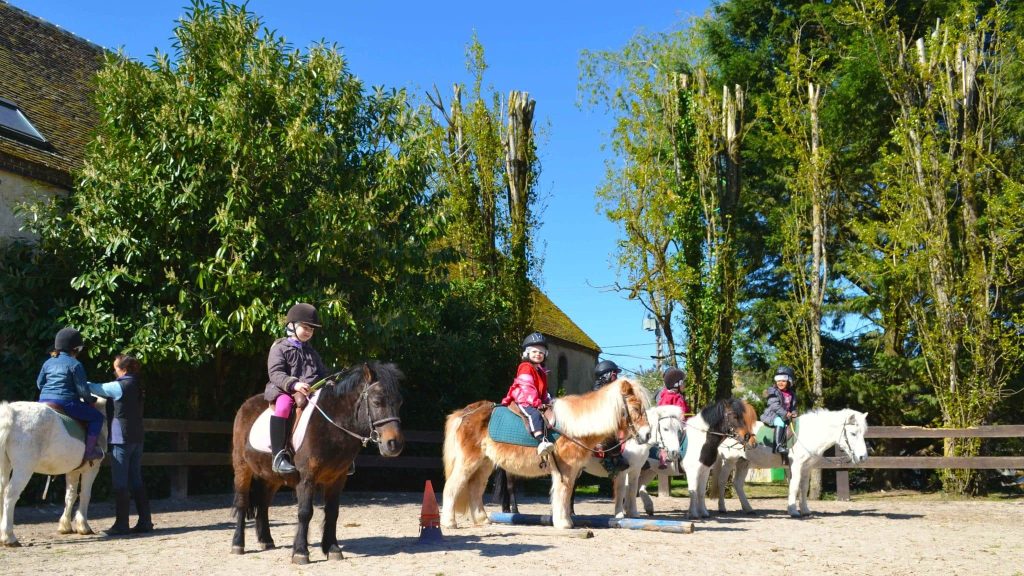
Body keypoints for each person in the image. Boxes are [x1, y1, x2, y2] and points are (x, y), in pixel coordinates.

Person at [89, 354, 152, 535]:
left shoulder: (118, 386)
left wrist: (78, 382)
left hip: (121, 437)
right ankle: (145, 521)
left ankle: (121, 524)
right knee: (136, 479)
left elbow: (95, 388)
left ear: (122, 369)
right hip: (137, 436)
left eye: (115, 368)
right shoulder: (139, 384)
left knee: (120, 481)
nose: (114, 371)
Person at [265, 303, 326, 474]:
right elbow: (275, 373)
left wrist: (330, 383)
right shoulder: (280, 348)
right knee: (283, 406)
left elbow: (322, 373)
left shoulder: (312, 353)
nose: (308, 332)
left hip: (311, 392)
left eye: (311, 330)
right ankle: (278, 455)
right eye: (305, 327)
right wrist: (294, 384)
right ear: (291, 326)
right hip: (285, 390)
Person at [37, 327, 105, 462]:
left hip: (43, 401)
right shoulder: (75, 364)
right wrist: (91, 400)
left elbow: (39, 384)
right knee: (97, 417)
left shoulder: (48, 362)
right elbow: (83, 391)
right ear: (76, 348)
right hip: (65, 402)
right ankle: (89, 452)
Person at [501, 332, 554, 457]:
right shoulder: (525, 367)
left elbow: (544, 391)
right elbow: (527, 387)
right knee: (534, 414)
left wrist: (549, 401)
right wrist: (537, 403)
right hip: (524, 399)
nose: (538, 354)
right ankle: (540, 440)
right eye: (535, 352)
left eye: (541, 352)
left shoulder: (541, 371)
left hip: (536, 400)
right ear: (527, 353)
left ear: (545, 355)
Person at [761, 365, 798, 458]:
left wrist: (793, 412)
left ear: (789, 382)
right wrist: (785, 414)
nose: (780, 383)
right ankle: (778, 446)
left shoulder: (792, 394)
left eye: (783, 381)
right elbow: (774, 406)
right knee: (780, 422)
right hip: (773, 415)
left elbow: (792, 406)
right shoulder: (773, 391)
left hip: (786, 416)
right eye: (778, 381)